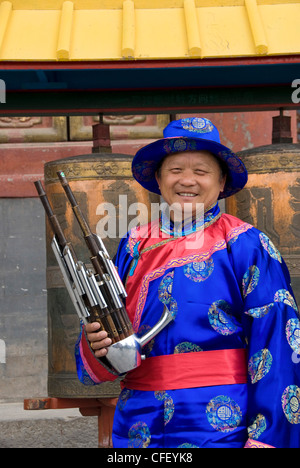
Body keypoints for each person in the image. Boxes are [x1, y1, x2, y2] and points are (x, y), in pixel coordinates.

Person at [75, 117, 300, 448]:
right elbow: (113, 326)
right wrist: (97, 342)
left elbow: (278, 343)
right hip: (139, 422)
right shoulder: (135, 243)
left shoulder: (246, 243)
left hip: (222, 424)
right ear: (159, 178)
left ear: (221, 181)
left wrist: (267, 436)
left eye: (201, 171)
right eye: (176, 170)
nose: (187, 181)